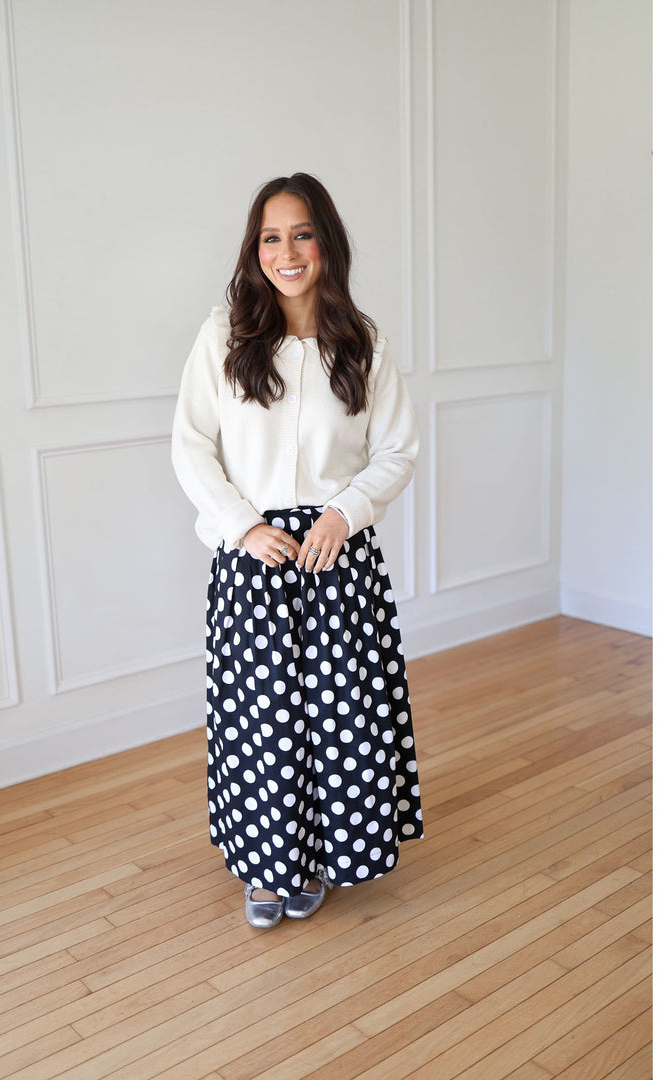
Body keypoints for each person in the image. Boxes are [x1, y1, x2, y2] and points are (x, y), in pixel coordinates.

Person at [171, 173, 423, 929]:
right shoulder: (224, 335)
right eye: (271, 236)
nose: (287, 251)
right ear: (256, 249)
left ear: (326, 244)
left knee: (342, 711)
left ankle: (321, 855)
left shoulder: (363, 342)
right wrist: (243, 526)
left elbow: (397, 451)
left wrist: (346, 512)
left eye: (302, 233)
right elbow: (190, 446)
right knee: (261, 720)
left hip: (336, 559)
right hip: (254, 559)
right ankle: (267, 868)